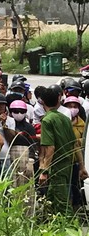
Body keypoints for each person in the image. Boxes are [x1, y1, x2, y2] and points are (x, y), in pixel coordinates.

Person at [38, 85, 88, 215]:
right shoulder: (65, 119)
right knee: (50, 200)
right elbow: (75, 145)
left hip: (57, 167)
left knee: (62, 204)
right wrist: (82, 166)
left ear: (42, 101)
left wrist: (44, 171)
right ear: (58, 100)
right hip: (68, 166)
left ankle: (71, 230)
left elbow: (50, 148)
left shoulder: (47, 120)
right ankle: (51, 228)